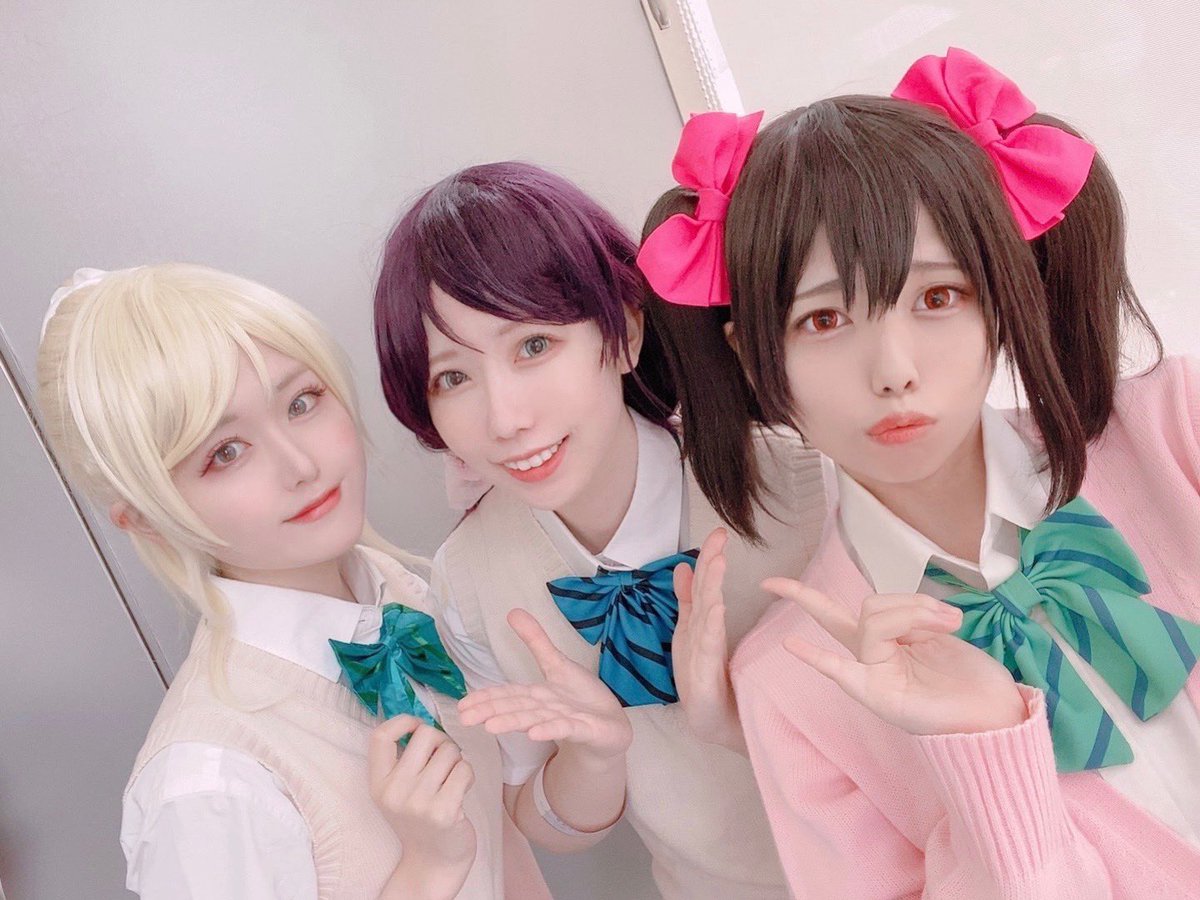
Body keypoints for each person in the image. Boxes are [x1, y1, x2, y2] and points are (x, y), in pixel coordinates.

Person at [638, 47, 1200, 898]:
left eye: (936, 298)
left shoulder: (1175, 431)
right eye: (824, 320)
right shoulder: (794, 685)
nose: (893, 370)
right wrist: (985, 753)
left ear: (1000, 296)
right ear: (753, 356)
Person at [373, 162, 828, 898]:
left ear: (623, 333)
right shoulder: (471, 577)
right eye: (452, 377)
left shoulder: (807, 476)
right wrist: (594, 757)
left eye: (533, 346)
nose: (504, 419)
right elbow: (546, 824)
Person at [37, 264, 549, 899]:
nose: (301, 464)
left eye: (301, 402)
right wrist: (428, 870)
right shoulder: (210, 786)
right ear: (146, 520)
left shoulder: (397, 591)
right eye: (225, 453)